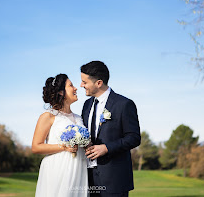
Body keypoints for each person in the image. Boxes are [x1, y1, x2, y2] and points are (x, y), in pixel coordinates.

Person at [80, 61, 141, 196]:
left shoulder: (124, 104)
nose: (81, 85)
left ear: (99, 83)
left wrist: (107, 148)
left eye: (84, 82)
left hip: (114, 179)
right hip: (87, 178)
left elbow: (134, 138)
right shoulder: (86, 105)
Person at [32, 74, 88, 197]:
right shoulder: (48, 116)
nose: (76, 88)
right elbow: (36, 147)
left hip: (79, 168)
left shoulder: (79, 118)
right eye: (71, 85)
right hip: (57, 168)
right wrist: (63, 147)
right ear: (61, 92)